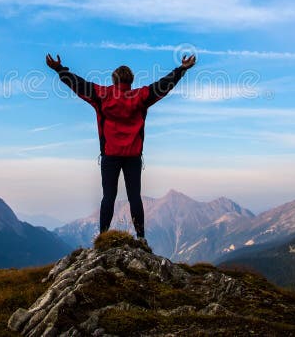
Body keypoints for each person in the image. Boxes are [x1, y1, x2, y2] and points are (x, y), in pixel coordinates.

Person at [46, 52, 196, 240]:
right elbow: (163, 85)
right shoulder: (141, 96)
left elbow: (78, 84)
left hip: (110, 156)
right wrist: (182, 69)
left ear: (113, 79)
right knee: (135, 197)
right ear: (131, 80)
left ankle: (103, 237)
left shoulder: (102, 94)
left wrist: (59, 69)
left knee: (108, 197)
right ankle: (140, 237)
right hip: (133, 156)